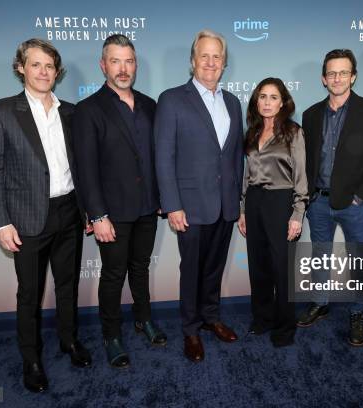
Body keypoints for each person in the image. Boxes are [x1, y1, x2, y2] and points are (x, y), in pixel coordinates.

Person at [0, 38, 91, 393]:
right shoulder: (1, 111)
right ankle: (31, 358)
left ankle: (69, 340)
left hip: (69, 211)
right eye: (36, 64)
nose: (43, 72)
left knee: (67, 284)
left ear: (57, 72)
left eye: (49, 66)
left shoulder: (71, 112)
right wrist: (0, 222)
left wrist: (87, 210)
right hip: (26, 218)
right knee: (29, 292)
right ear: (21, 68)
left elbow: (82, 167)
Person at [72, 34, 166, 369]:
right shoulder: (88, 110)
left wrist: (161, 197)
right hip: (112, 212)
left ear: (135, 65)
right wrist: (97, 215)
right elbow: (85, 168)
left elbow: (157, 157)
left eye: (128, 61)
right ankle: (111, 335)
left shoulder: (150, 105)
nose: (123, 68)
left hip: (147, 207)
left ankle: (144, 319)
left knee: (141, 268)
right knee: (113, 274)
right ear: (103, 65)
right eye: (115, 61)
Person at [155, 29, 244, 363]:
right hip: (190, 206)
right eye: (204, 56)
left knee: (214, 268)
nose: (210, 62)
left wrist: (238, 201)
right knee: (191, 269)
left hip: (225, 204)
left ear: (224, 63)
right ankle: (191, 330)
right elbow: (164, 156)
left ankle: (211, 316)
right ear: (193, 61)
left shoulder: (233, 102)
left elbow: (235, 156)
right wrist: (172, 205)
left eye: (216, 57)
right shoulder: (172, 99)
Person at [297, 49, 363, 346]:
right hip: (319, 201)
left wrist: (361, 196)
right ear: (324, 79)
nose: (337, 78)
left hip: (353, 204)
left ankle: (358, 311)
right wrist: (307, 196)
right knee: (319, 255)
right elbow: (306, 159)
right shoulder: (310, 115)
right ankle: (320, 302)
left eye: (343, 72)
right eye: (332, 73)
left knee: (358, 259)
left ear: (354, 76)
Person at [237, 77, 308, 347]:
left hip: (281, 202)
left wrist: (297, 213)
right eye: (262, 96)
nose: (267, 102)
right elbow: (247, 174)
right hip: (254, 201)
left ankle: (285, 327)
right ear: (257, 101)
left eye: (273, 97)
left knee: (282, 269)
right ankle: (262, 318)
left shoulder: (293, 132)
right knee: (258, 266)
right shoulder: (252, 132)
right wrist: (243, 208)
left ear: (283, 102)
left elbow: (301, 177)